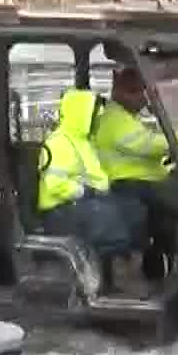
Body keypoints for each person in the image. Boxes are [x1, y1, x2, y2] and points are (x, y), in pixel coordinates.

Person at [38, 87, 147, 295]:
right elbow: (56, 184)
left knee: (133, 208)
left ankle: (128, 269)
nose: (97, 118)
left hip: (84, 203)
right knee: (107, 216)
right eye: (93, 113)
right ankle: (116, 275)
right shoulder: (59, 142)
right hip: (60, 210)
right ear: (81, 114)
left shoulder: (83, 142)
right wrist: (85, 192)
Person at [94, 66, 178, 282]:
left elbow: (148, 150)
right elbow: (146, 145)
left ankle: (165, 264)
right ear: (124, 94)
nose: (145, 102)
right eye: (141, 95)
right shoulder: (115, 120)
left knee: (174, 206)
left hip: (142, 182)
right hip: (127, 184)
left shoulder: (125, 117)